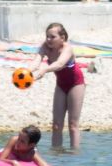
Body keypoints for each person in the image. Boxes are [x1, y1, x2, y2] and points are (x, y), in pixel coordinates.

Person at [36, 22, 86, 152]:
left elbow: (59, 64)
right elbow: (36, 60)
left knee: (73, 125)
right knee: (56, 125)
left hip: (76, 84)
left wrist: (44, 70)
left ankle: (75, 155)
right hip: (61, 85)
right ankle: (56, 154)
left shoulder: (67, 48)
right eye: (47, 36)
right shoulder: (45, 46)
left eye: (52, 37)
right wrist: (28, 71)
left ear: (62, 38)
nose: (48, 40)